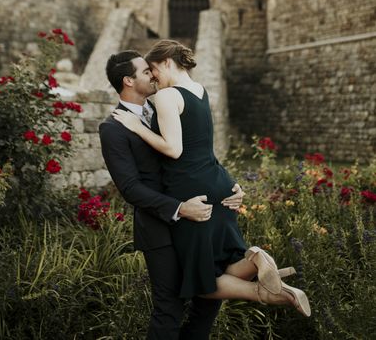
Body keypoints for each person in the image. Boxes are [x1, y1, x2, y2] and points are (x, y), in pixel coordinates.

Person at [112, 40, 311, 318]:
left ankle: (262, 287)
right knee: (221, 266)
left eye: (154, 69)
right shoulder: (200, 91)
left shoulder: (168, 96)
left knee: (201, 282)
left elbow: (174, 149)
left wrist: (136, 127)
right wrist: (229, 182)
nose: (154, 77)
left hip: (192, 190)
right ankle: (254, 259)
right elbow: (203, 145)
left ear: (167, 61)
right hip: (216, 182)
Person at [100, 50, 246, 339]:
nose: (153, 75)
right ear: (128, 80)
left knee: (208, 301)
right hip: (159, 228)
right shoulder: (112, 128)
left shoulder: (164, 104)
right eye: (145, 72)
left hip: (196, 220)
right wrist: (179, 208)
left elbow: (196, 152)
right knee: (169, 310)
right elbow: (130, 189)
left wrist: (228, 184)